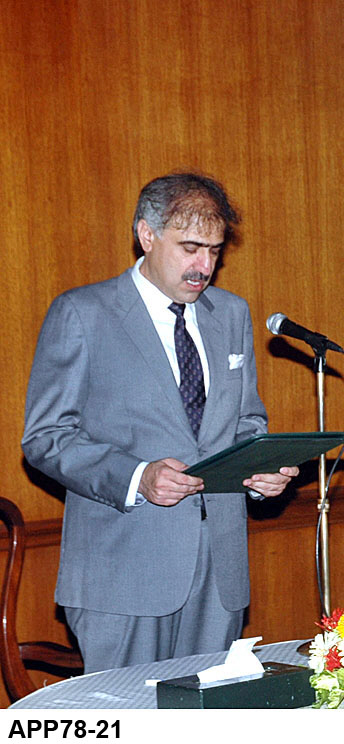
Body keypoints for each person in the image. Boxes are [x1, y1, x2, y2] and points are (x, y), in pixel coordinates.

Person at [22, 172, 299, 672]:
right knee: (128, 731)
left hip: (219, 574)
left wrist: (262, 472)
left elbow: (246, 422)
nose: (204, 266)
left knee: (204, 739)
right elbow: (45, 438)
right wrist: (136, 477)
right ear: (146, 235)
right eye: (190, 247)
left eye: (214, 251)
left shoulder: (232, 314)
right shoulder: (82, 314)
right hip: (121, 571)